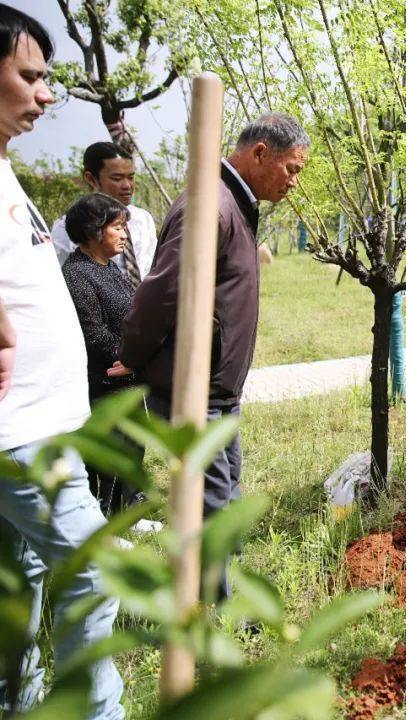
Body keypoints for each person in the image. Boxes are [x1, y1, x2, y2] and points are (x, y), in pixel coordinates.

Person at [118, 112, 309, 600]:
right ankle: (219, 616)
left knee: (224, 492)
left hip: (217, 386)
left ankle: (226, 600)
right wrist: (133, 355)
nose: (294, 182)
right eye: (291, 169)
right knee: (213, 502)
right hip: (193, 385)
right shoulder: (212, 205)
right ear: (260, 153)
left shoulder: (234, 203)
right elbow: (163, 292)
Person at [0, 6, 124, 716]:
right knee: (94, 568)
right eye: (29, 77)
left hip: (37, 427)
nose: (46, 94)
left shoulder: (6, 171)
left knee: (19, 589)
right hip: (24, 435)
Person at [61, 193, 161, 529]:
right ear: (93, 231)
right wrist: (131, 356)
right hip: (102, 383)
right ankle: (99, 525)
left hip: (126, 378)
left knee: (131, 447)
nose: (123, 234)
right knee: (105, 458)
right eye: (116, 227)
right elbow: (94, 335)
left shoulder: (109, 267)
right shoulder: (77, 275)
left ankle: (125, 516)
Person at [51, 142, 157, 287]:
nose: (127, 185)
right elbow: (59, 280)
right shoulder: (67, 228)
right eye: (117, 178)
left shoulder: (142, 219)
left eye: (131, 177)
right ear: (91, 178)